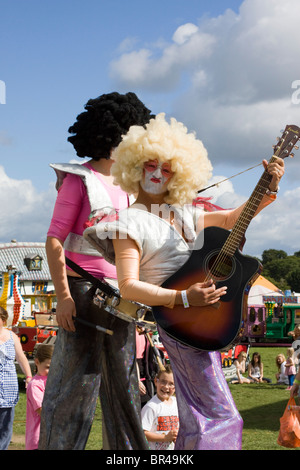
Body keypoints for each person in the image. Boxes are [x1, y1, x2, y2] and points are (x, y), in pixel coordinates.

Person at [83, 112, 284, 450]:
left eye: (168, 168)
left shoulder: (185, 214)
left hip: (202, 321)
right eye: (150, 165)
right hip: (179, 322)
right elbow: (129, 286)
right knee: (220, 416)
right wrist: (185, 298)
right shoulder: (127, 223)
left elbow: (236, 218)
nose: (158, 174)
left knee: (199, 415)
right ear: (133, 168)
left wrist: (269, 186)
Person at [39, 92, 154, 450]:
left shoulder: (131, 186)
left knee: (126, 393)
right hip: (83, 297)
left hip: (121, 297)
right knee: (74, 392)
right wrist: (62, 298)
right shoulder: (80, 178)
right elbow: (54, 240)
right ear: (113, 136)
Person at [0, 306, 32, 450]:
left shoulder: (12, 336)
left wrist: (29, 376)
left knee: (5, 427)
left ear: (3, 320)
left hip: (8, 388)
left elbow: (21, 358)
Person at [141, 365, 179, 450]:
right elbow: (143, 433)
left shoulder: (177, 403)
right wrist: (165, 438)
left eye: (171, 384)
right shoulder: (151, 407)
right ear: (155, 381)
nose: (166, 387)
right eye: (163, 382)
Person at [25, 344, 54, 450]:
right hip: (37, 441)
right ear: (37, 362)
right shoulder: (35, 385)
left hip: (50, 439)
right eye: (48, 367)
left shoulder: (51, 381)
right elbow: (42, 410)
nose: (51, 371)